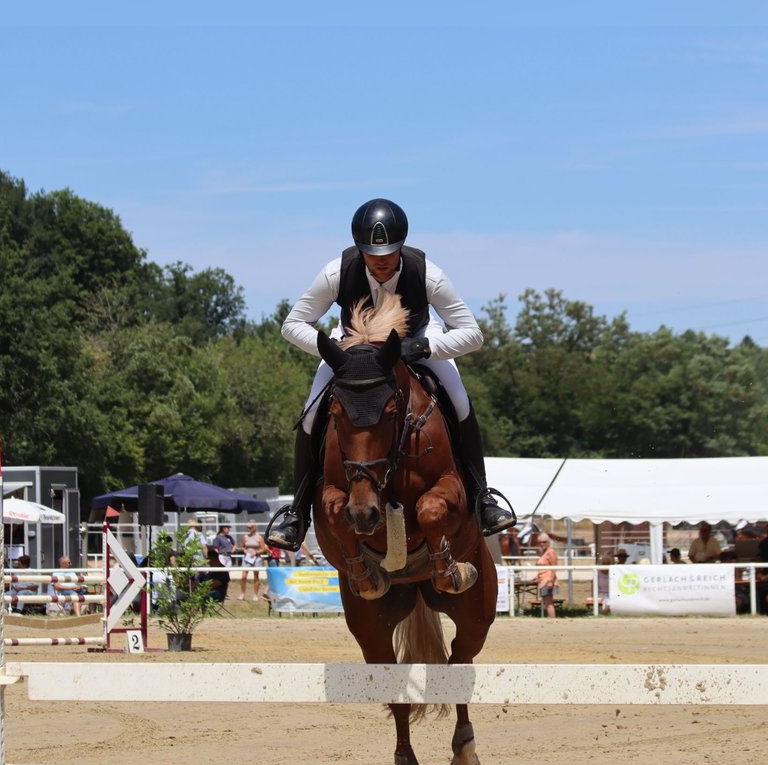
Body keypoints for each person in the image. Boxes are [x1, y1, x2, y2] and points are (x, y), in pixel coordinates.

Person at [266, 198, 516, 556]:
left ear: (401, 246)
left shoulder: (427, 273)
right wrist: (340, 350)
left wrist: (425, 347)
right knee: (309, 415)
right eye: (371, 253)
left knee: (459, 402)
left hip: (415, 345)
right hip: (352, 353)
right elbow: (292, 325)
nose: (380, 261)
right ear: (359, 248)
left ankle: (482, 497)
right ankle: (297, 513)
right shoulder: (336, 272)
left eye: (389, 252)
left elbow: (472, 334)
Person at [239, 521, 268, 602]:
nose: (249, 529)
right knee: (243, 576)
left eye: (251, 527)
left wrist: (256, 552)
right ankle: (242, 594)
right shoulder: (245, 537)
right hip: (247, 558)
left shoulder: (259, 538)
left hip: (256, 558)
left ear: (255, 527)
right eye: (248, 527)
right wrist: (245, 551)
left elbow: (263, 549)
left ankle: (255, 595)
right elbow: (242, 547)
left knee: (256, 576)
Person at [534, 533, 558, 619]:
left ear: (548, 542)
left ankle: (552, 619)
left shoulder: (550, 552)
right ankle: (551, 618)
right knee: (547, 601)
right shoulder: (544, 552)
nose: (542, 544)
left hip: (548, 580)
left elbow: (554, 567)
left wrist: (551, 581)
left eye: (544, 542)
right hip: (543, 579)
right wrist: (537, 576)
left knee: (548, 602)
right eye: (540, 542)